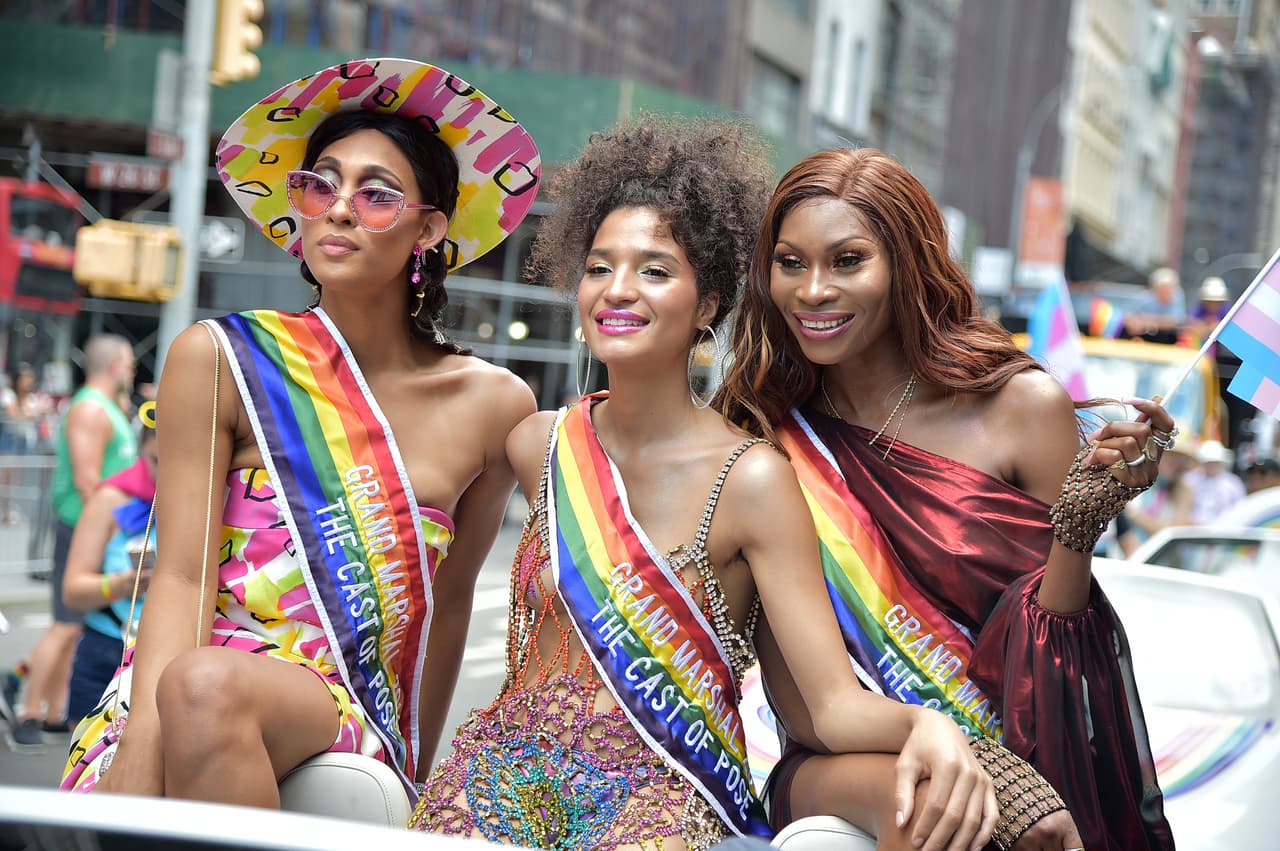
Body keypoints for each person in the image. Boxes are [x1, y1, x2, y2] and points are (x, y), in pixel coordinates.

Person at [409, 118, 997, 851]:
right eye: (599, 267)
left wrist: (927, 723)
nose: (617, 290)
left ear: (708, 303)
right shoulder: (538, 444)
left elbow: (832, 704)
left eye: (654, 270)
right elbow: (440, 594)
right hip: (495, 780)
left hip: (657, 800)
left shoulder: (752, 478)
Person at [61, 58, 542, 807]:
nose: (340, 208)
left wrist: (417, 776)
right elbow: (183, 575)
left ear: (429, 228)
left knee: (206, 686)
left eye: (377, 194)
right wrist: (138, 748)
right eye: (320, 184)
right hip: (184, 681)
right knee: (200, 684)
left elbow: (450, 609)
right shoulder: (220, 357)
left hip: (342, 701)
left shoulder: (494, 403)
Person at [718, 147, 1177, 851]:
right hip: (833, 759)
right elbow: (808, 705)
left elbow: (1056, 664)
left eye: (847, 261)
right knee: (935, 807)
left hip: (1018, 752)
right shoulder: (760, 429)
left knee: (1018, 824)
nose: (811, 290)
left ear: (907, 262)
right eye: (789, 262)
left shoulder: (1021, 408)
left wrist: (1078, 528)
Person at [7, 336, 137, 751]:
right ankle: (27, 711)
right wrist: (107, 531)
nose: (133, 371)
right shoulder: (90, 408)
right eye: (131, 363)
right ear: (115, 364)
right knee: (65, 624)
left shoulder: (106, 408)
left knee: (75, 626)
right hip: (84, 528)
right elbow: (86, 480)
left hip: (99, 530)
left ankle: (51, 714)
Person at [61, 426, 158, 723]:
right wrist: (123, 584)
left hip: (168, 655)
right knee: (87, 766)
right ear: (141, 450)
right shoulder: (110, 499)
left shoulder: (210, 501)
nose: (167, 471)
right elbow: (72, 592)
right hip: (107, 650)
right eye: (156, 460)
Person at [1183, 439, 1245, 523]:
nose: (1212, 465)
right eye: (1209, 462)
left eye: (1215, 462)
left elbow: (1239, 508)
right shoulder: (1191, 480)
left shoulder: (1233, 483)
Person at [1124, 266, 1186, 343]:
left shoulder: (1177, 295)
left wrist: (1150, 321)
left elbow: (1177, 320)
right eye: (1163, 289)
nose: (1167, 292)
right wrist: (1134, 322)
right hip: (1143, 336)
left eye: (1170, 289)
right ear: (1154, 289)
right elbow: (1127, 315)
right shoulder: (1144, 297)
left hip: (1167, 337)